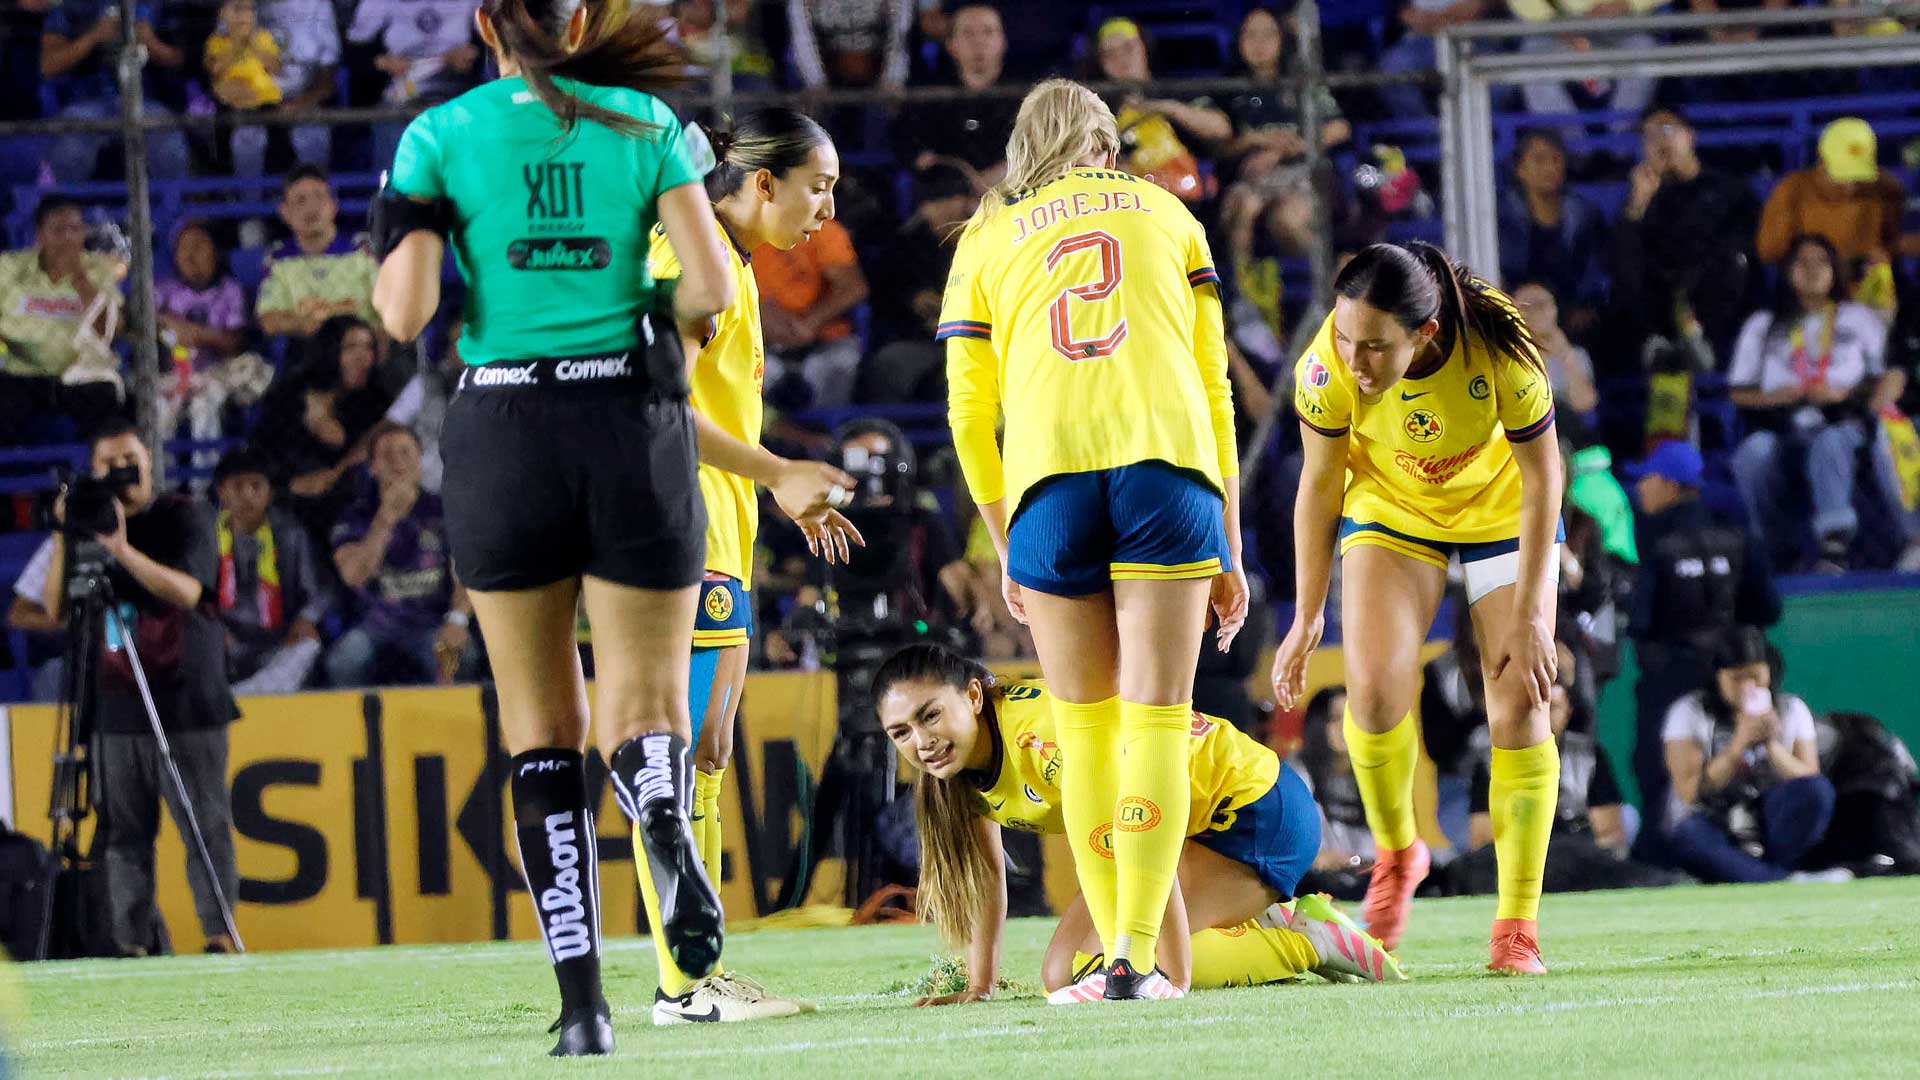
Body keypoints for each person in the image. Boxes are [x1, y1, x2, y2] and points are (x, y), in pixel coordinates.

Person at [370, 0, 849, 1054]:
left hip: (502, 425)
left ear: (488, 23)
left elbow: (403, 315)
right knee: (647, 711)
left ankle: (584, 1008)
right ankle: (659, 804)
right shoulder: (646, 121)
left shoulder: (436, 136)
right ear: (584, 18)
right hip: (628, 424)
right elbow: (711, 284)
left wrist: (427, 228)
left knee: (541, 731)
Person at [941, 79, 1248, 1002]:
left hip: (1049, 483)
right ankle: (1135, 960)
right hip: (1166, 467)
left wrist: (1002, 537)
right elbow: (1215, 384)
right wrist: (1230, 541)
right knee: (1157, 716)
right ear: (1108, 150)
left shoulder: (988, 234)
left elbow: (966, 410)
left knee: (1084, 728)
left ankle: (1118, 951)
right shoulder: (1168, 211)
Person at [1271, 241, 1564, 973]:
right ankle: (1400, 853)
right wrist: (1308, 614)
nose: (1354, 360)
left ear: (1424, 334)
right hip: (1392, 508)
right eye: (1344, 337)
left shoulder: (1502, 345)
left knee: (1519, 707)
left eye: (1373, 346)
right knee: (1369, 697)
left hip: (1502, 513)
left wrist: (1530, 614)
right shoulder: (1325, 366)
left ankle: (1516, 926)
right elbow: (1318, 484)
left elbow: (1543, 473)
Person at [644, 107, 863, 1024]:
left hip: (718, 534)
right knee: (680, 753)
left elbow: (715, 414)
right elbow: (655, 401)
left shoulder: (724, 264)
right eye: (819, 186)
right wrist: (777, 473)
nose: (827, 208)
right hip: (676, 534)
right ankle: (682, 985)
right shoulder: (690, 262)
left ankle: (699, 970)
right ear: (764, 182)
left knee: (708, 749)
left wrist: (774, 488)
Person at [872, 644, 1403, 1004]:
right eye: (901, 733)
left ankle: (1309, 941)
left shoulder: (1046, 741)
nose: (922, 742)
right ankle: (1254, 922)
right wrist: (979, 985)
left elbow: (1144, 833)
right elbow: (989, 877)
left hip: (1255, 809)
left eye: (930, 715)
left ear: (971, 694)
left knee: (1120, 968)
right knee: (1064, 975)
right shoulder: (958, 772)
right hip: (1180, 830)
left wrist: (1171, 971)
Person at [40, 420, 240, 956]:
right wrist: (66, 535)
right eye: (107, 464)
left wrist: (121, 549)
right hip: (115, 704)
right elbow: (54, 609)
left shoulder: (185, 515)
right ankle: (134, 945)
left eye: (130, 459)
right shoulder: (85, 525)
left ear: (149, 459)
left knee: (204, 827)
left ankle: (219, 938)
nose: (120, 472)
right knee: (123, 838)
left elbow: (189, 591)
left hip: (186, 700)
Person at [1624, 440, 1781, 849]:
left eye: (1648, 479)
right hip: (1735, 686)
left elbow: (1641, 623)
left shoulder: (1651, 540)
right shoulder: (1737, 536)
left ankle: (1666, 855)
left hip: (1669, 683)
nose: (1641, 489)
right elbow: (1768, 609)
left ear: (1672, 485)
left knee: (1659, 771)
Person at [1729, 233, 1903, 571]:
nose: (1811, 270)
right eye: (1801, 262)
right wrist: (1774, 397)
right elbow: (1738, 391)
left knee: (1830, 442)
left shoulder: (1859, 318)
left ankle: (1833, 548)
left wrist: (1846, 395)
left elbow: (1885, 379)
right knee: (1753, 454)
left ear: (1835, 270)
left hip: (1844, 422)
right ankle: (1775, 550)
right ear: (1787, 272)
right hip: (1782, 425)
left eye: (1821, 262)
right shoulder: (1762, 325)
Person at [1661, 625, 1844, 884]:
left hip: (1768, 817)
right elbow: (1690, 791)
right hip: (1711, 821)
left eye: (1755, 676)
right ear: (1718, 677)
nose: (1748, 687)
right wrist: (1739, 744)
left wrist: (1771, 744)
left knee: (1817, 792)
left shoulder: (1792, 709)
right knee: (1691, 834)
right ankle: (1781, 881)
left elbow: (1810, 781)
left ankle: (1761, 874)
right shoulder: (1688, 713)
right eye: (1736, 679)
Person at [327, 423, 473, 688]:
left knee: (461, 656)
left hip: (431, 623)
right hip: (374, 624)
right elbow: (354, 575)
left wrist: (457, 620)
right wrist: (386, 519)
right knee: (342, 663)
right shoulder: (354, 517)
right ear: (372, 467)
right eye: (387, 454)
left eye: (406, 452)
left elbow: (466, 574)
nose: (398, 461)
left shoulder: (445, 511)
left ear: (420, 460)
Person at [1610, 107, 1761, 361]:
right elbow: (1620, 260)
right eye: (1649, 135)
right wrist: (1639, 203)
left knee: (1733, 261)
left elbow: (1745, 243)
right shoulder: (1642, 195)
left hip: (1711, 296)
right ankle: (1656, 344)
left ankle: (1700, 344)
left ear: (1691, 136)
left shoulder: (1728, 189)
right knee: (1626, 261)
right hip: (1661, 299)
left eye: (1667, 129)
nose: (1659, 140)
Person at [251, 316, 393, 544]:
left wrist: (333, 476)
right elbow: (260, 454)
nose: (363, 358)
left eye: (368, 347)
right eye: (351, 348)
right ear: (330, 351)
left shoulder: (375, 403)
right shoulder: (287, 397)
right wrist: (289, 485)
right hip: (288, 503)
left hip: (350, 511)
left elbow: (375, 455)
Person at [0, 195, 125, 441]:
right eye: (58, 230)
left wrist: (80, 280)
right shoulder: (9, 267)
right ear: (40, 235)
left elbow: (111, 330)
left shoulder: (99, 269)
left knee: (107, 403)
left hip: (83, 374)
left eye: (75, 230)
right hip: (21, 372)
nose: (68, 239)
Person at [211, 448, 331, 695]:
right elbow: (189, 592)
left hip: (277, 641)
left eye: (256, 486)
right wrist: (210, 626)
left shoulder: (291, 534)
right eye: (237, 487)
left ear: (270, 493)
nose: (247, 496)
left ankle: (251, 693)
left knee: (309, 643)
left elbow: (319, 592)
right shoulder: (205, 535)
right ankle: (259, 692)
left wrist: (305, 619)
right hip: (223, 642)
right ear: (221, 492)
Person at [38, 0, 191, 183]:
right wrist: (93, 36)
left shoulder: (159, 5)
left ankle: (171, 208)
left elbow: (183, 62)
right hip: (86, 103)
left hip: (148, 103)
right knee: (71, 144)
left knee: (169, 145)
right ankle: (67, 208)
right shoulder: (72, 7)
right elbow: (48, 65)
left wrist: (150, 42)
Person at [1089, 19, 1230, 208]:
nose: (1120, 57)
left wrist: (1164, 108)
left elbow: (1221, 129)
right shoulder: (1096, 108)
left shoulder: (1176, 90)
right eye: (1109, 54)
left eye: (1128, 47)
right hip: (1130, 206)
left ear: (1144, 47)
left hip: (1188, 203)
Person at [1755, 119, 1908, 275]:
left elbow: (1894, 241)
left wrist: (1888, 252)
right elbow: (1769, 251)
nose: (1850, 186)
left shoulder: (1885, 190)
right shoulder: (1791, 191)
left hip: (1868, 288)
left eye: (1859, 178)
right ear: (1821, 161)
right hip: (1811, 289)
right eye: (1841, 176)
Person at [349, 0, 482, 171]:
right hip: (401, 87)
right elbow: (354, 53)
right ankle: (396, 189)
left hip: (457, 86)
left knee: (471, 118)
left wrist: (473, 54)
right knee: (390, 121)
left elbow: (496, 41)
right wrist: (382, 62)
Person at [753, 215, 869, 410]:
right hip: (763, 342)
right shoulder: (741, 233)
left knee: (839, 363)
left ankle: (826, 436)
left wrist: (808, 324)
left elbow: (853, 287)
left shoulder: (822, 230)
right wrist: (761, 315)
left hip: (825, 339)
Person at [1498, 131, 1607, 338]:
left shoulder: (1584, 213)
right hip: (1517, 313)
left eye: (1556, 160)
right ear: (1519, 169)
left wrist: (1586, 306)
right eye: (1539, 160)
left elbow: (1594, 269)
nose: (1549, 168)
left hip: (1573, 314)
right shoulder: (1501, 214)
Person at [894, 3, 1015, 184]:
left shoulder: (1026, 97)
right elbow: (913, 151)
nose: (979, 42)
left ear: (1003, 42)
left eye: (988, 32)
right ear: (951, 44)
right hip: (948, 196)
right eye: (968, 33)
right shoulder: (930, 97)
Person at [256, 166, 378, 345]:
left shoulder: (363, 251)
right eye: (300, 200)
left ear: (333, 206)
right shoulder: (278, 259)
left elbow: (389, 309)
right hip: (308, 353)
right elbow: (269, 320)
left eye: (319, 197)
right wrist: (305, 324)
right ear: (285, 212)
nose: (311, 207)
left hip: (362, 350)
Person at [205, 0, 284, 179]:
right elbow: (215, 70)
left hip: (264, 100)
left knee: (278, 136)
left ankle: (277, 179)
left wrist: (253, 44)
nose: (244, 15)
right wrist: (237, 44)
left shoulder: (263, 38)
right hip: (230, 101)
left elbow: (275, 67)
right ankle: (224, 179)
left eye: (249, 9)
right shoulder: (217, 41)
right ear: (222, 14)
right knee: (222, 133)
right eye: (238, 9)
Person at [259, 0, 340, 169]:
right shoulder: (246, 6)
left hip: (305, 94)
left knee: (312, 133)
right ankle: (248, 195)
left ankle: (313, 191)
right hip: (257, 100)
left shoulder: (318, 4)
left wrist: (301, 103)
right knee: (246, 137)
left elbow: (328, 77)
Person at [1511, 282, 1599, 422]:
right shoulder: (1509, 360)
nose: (1536, 312)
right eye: (1526, 306)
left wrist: (1565, 355)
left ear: (1555, 309)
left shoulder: (1575, 354)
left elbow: (1585, 405)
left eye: (1541, 304)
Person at [786, 0, 912, 92]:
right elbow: (802, 36)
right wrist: (815, 81)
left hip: (877, 69)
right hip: (827, 68)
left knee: (888, 102)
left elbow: (899, 34)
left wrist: (893, 77)